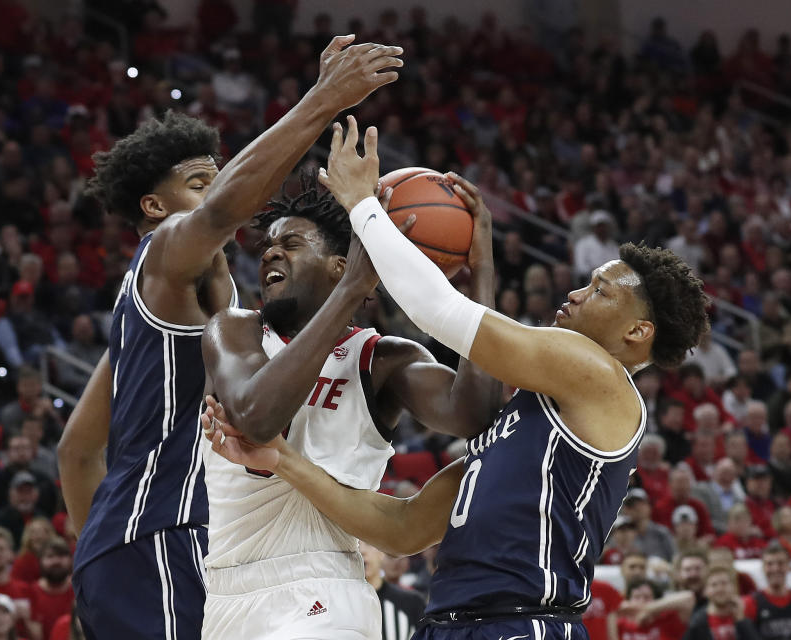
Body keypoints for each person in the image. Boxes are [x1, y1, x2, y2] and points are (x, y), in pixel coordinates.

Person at [203, 118, 709, 639]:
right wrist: (285, 462)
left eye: (600, 291)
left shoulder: (596, 372)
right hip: (451, 622)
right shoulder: (527, 417)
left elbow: (439, 310)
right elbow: (402, 529)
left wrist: (363, 206)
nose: (578, 293)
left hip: (521, 622)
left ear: (638, 332)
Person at [59, 36, 403, 639]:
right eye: (198, 183)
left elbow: (75, 450)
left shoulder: (158, 319)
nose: (217, 192)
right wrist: (323, 101)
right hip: (164, 533)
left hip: (145, 546)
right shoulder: (163, 253)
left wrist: (101, 557)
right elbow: (221, 212)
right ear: (154, 204)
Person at [198, 171, 499, 639]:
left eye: (292, 244)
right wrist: (352, 289)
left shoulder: (382, 359)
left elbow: (475, 415)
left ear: (342, 264)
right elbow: (256, 415)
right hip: (221, 592)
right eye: (268, 247)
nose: (271, 252)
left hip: (323, 586)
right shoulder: (234, 330)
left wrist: (481, 275)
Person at [359, 541, 425, 640]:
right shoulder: (341, 603)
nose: (362, 551)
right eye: (357, 545)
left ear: (381, 552)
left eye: (368, 543)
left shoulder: (413, 602)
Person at [682, 566, 762, 640]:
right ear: (705, 591)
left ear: (733, 587)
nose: (720, 589)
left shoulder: (747, 615)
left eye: (724, 583)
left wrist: (741, 620)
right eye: (714, 585)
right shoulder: (697, 622)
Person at [29, 538, 74, 640]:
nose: (56, 561)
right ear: (40, 561)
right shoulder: (30, 593)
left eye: (61, 556)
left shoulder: (80, 589)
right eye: (50, 556)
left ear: (70, 559)